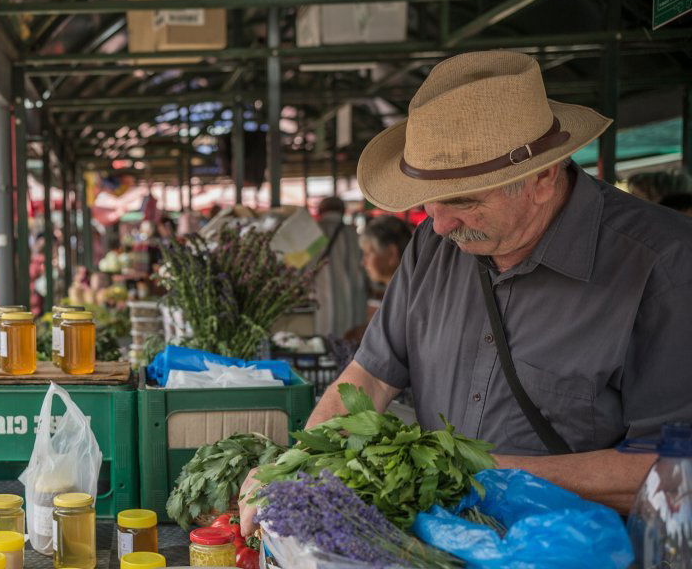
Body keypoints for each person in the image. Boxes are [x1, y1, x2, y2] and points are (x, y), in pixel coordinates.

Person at [241, 50, 692, 534]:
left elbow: (672, 470)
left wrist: (475, 471)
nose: (438, 223)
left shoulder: (662, 266)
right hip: (438, 550)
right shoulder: (432, 245)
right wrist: (293, 466)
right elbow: (370, 377)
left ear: (541, 177)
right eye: (428, 200)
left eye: (462, 200)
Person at [312, 197, 368, 338]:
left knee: (325, 342)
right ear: (343, 211)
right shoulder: (353, 233)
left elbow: (300, 267)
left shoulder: (314, 233)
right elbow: (366, 266)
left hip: (322, 302)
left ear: (320, 211)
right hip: (353, 301)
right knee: (350, 342)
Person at [358, 215, 413, 295]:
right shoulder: (404, 291)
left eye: (368, 254)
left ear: (392, 254)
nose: (363, 262)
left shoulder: (404, 296)